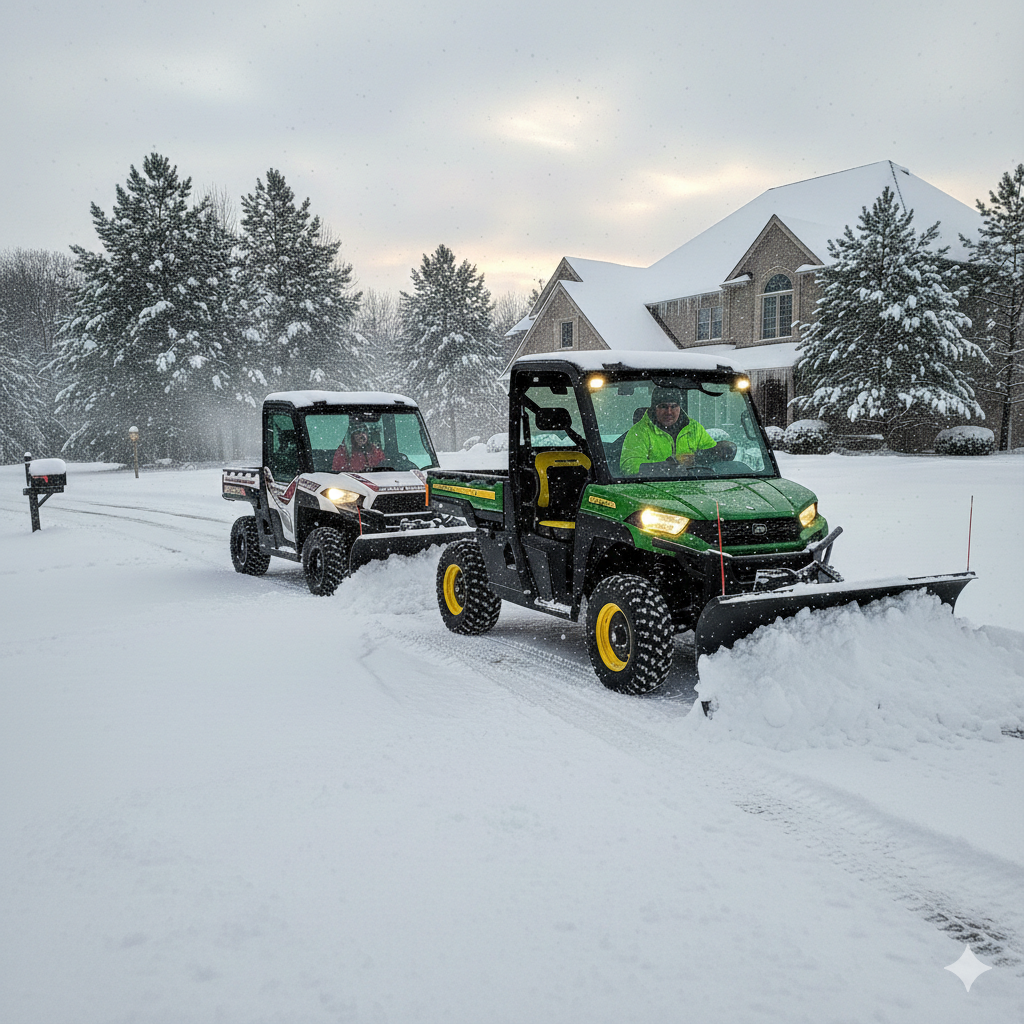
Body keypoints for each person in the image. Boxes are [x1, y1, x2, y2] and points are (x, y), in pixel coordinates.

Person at [620, 386, 718, 475]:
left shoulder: (694, 428)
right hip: (653, 488)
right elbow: (629, 465)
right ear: (655, 408)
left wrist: (719, 451)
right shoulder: (640, 432)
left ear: (679, 407)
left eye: (674, 406)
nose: (669, 412)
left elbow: (712, 457)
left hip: (693, 485)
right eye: (663, 406)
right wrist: (664, 468)